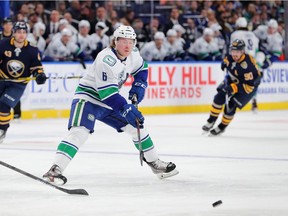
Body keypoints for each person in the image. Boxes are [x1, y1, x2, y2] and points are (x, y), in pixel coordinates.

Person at [43, 25, 179, 185]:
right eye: (123, 41)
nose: (128, 45)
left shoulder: (133, 54)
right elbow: (107, 94)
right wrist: (126, 108)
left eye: (131, 41)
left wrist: (140, 85)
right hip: (89, 99)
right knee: (79, 132)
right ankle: (55, 169)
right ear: (115, 42)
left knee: (137, 127)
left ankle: (155, 163)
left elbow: (142, 68)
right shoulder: (105, 59)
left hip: (110, 102)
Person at [202, 39, 261, 136]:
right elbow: (227, 59)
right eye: (233, 51)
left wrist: (232, 88)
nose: (234, 54)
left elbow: (249, 86)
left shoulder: (247, 66)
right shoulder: (232, 56)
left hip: (248, 87)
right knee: (219, 97)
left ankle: (222, 127)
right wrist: (224, 62)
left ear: (242, 52)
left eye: (237, 52)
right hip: (234, 79)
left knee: (230, 106)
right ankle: (211, 121)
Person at [0, 21, 47, 143]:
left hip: (18, 84)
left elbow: (37, 67)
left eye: (24, 32)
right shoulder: (3, 44)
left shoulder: (32, 50)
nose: (21, 35)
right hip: (2, 80)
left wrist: (39, 75)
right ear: (13, 33)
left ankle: (2, 130)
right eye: (18, 32)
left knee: (4, 105)